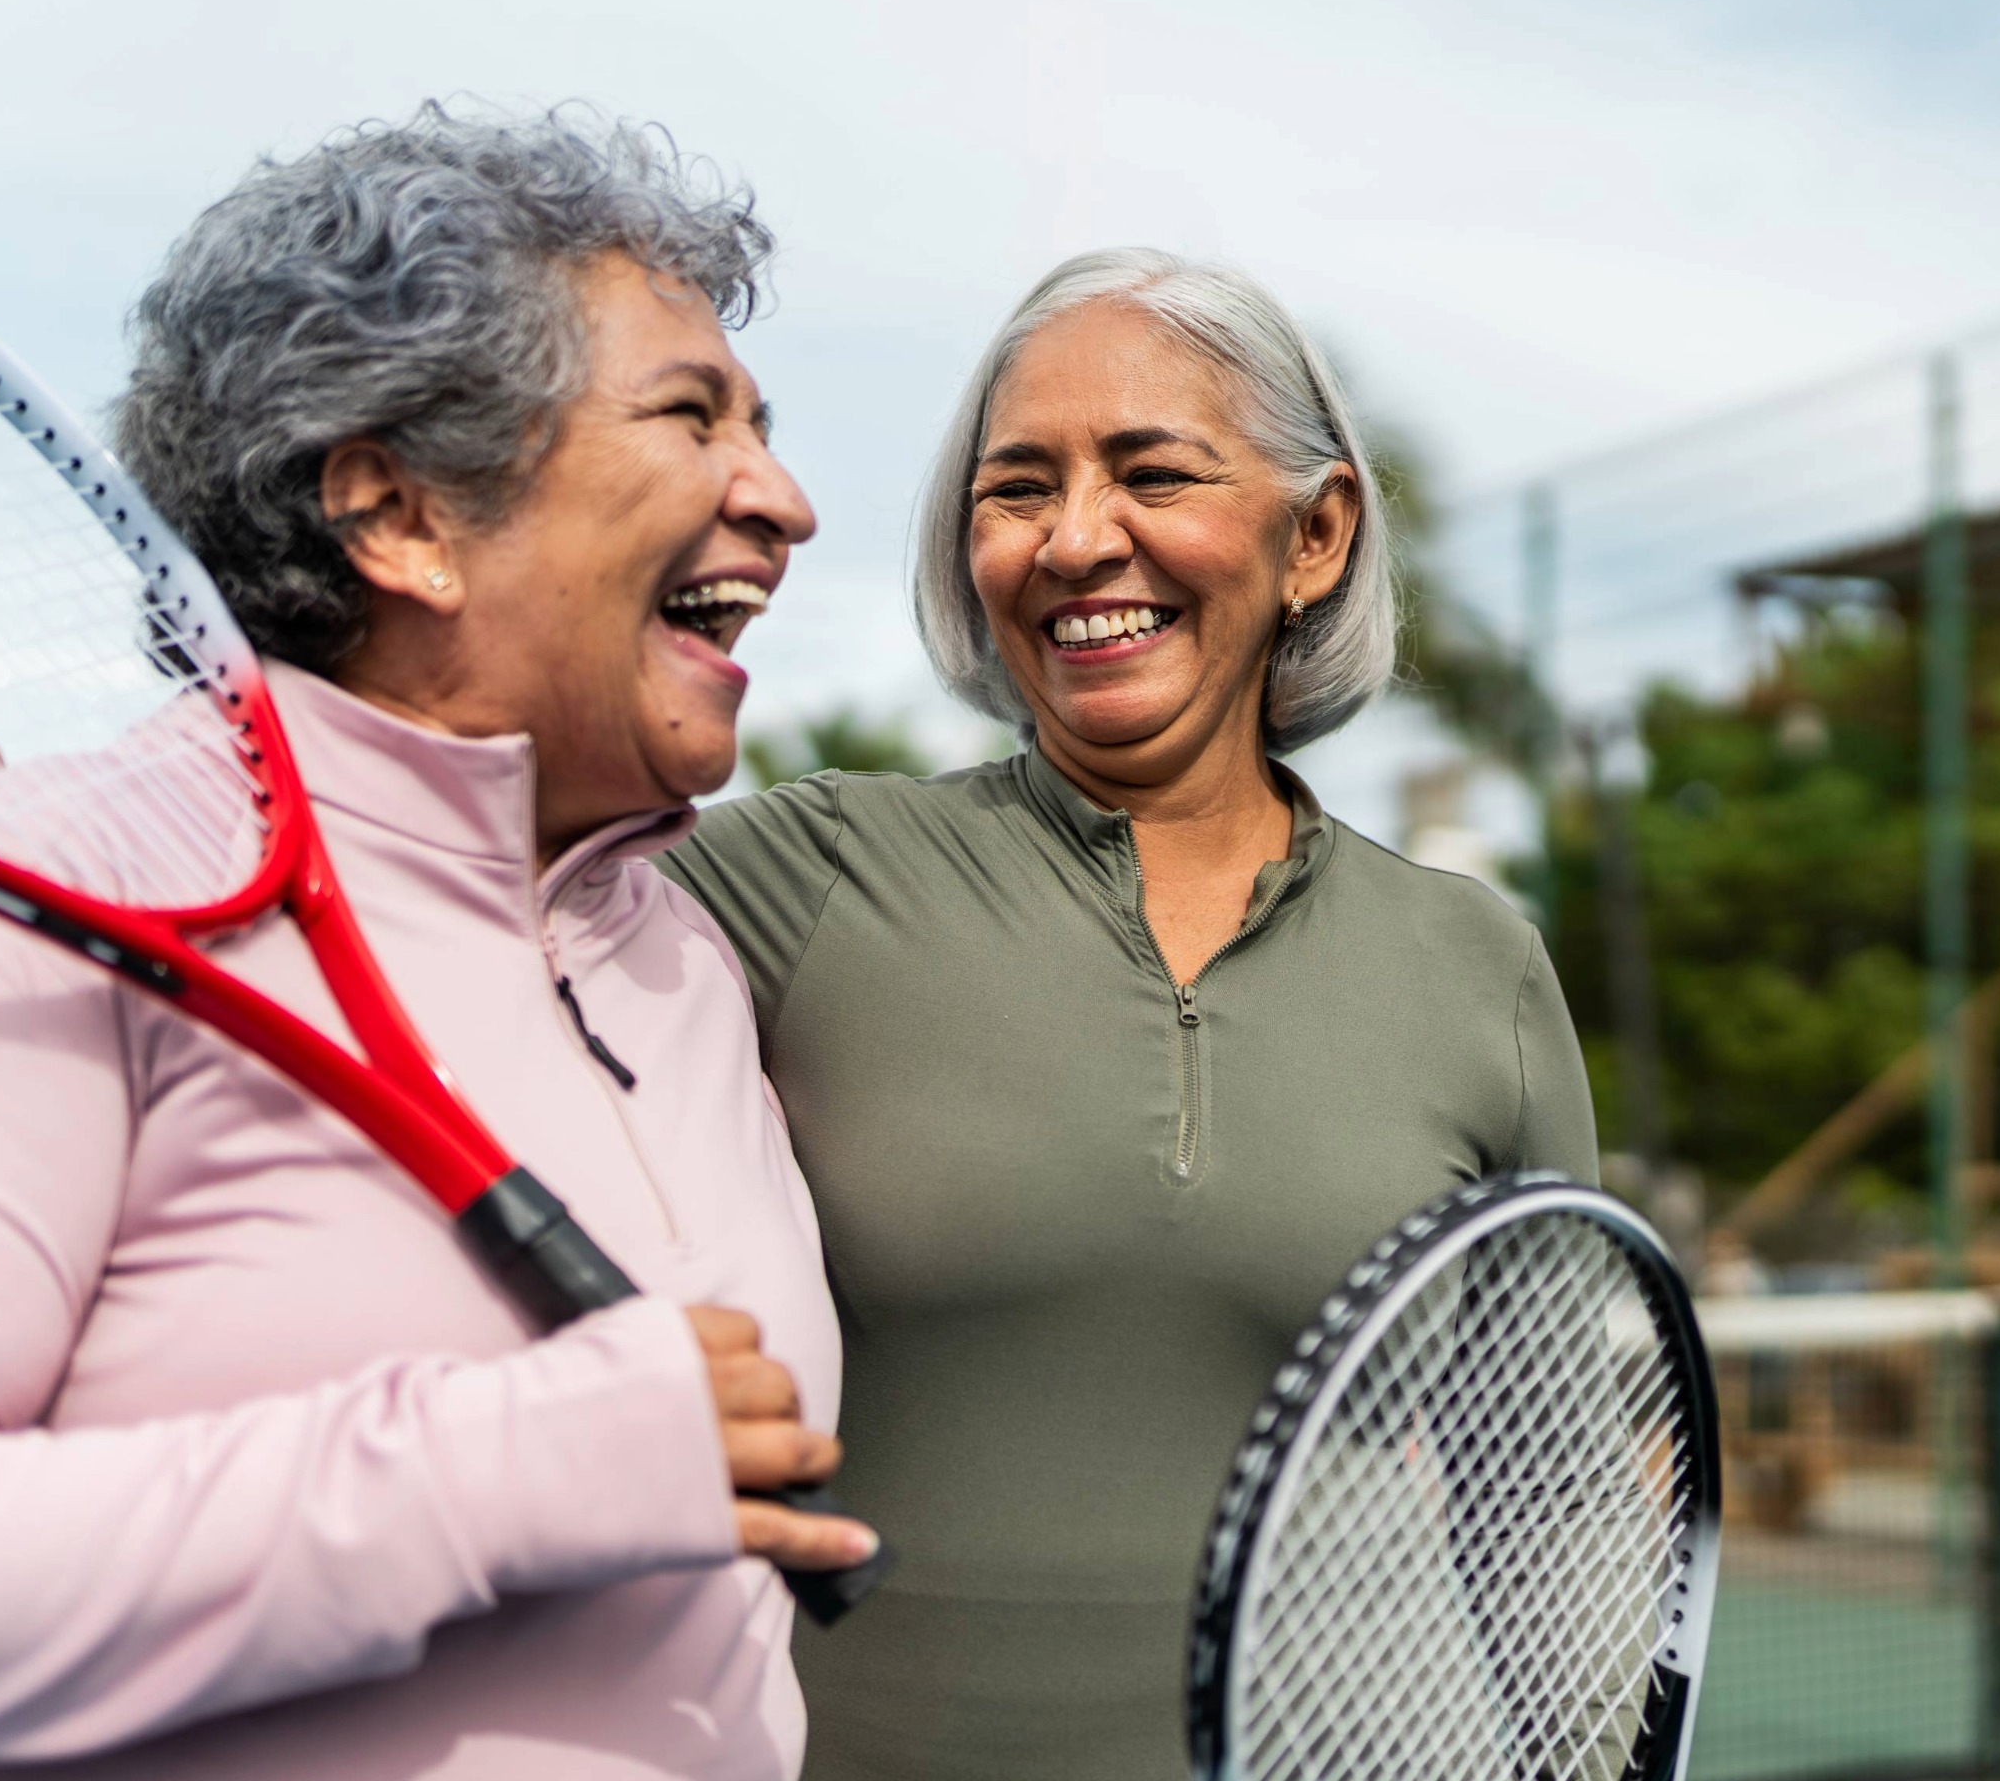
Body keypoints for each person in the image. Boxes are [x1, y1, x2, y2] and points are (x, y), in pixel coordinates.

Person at [0, 105, 866, 1779]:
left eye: (762, 425)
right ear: (399, 516)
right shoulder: (35, 887)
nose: (783, 500)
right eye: (691, 417)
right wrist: (505, 1474)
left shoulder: (682, 962)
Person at [659, 248, 1599, 1778]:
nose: (1078, 541)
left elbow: (1545, 1499)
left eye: (1153, 472)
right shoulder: (804, 873)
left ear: (1319, 536)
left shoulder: (1473, 961)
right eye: (1016, 489)